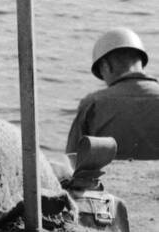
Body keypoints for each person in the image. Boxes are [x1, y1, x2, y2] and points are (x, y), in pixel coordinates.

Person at [66, 28, 159, 158]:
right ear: (141, 62)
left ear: (105, 66)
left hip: (109, 178)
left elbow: (72, 160)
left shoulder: (93, 104)